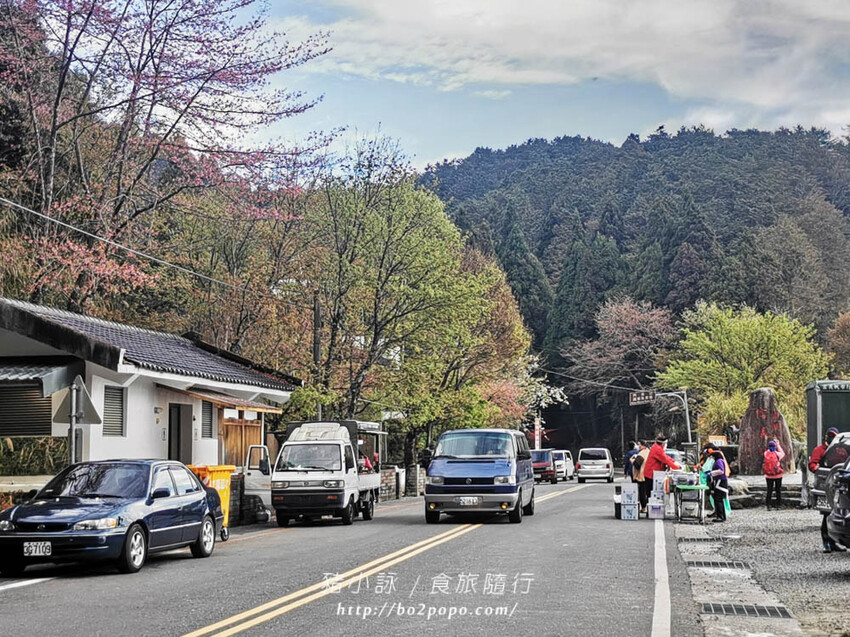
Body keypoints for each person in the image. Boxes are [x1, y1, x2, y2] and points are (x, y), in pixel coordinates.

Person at [809, 427, 846, 553]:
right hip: (826, 486)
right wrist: (819, 471)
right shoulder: (819, 450)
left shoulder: (841, 450)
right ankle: (826, 542)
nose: (830, 438)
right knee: (826, 514)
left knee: (839, 513)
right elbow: (812, 464)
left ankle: (835, 542)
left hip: (840, 485)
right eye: (829, 436)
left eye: (833, 436)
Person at [704, 443, 729, 522]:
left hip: (720, 482)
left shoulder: (719, 461)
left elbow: (721, 471)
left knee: (718, 499)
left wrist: (711, 473)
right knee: (718, 499)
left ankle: (720, 517)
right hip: (719, 482)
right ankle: (721, 516)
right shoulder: (719, 460)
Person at [763, 439, 785, 510]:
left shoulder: (766, 453)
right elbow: (783, 453)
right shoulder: (777, 454)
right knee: (778, 489)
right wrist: (778, 445)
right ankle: (778, 505)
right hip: (778, 475)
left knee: (769, 490)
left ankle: (768, 505)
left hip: (768, 475)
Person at [631, 441, 651, 512]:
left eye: (639, 445)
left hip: (641, 475)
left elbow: (637, 464)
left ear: (643, 446)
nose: (638, 446)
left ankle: (644, 508)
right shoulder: (649, 452)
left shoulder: (642, 453)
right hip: (648, 474)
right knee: (647, 492)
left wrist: (632, 461)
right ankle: (648, 507)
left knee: (642, 492)